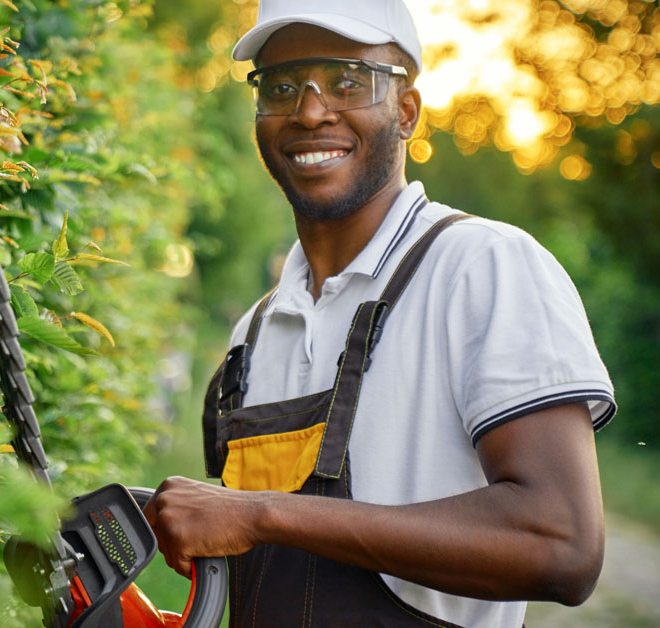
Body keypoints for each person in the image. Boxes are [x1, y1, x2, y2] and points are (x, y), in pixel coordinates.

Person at [142, 1, 616, 626]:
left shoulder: (482, 267)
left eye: (347, 81)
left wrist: (259, 512)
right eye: (282, 86)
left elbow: (562, 546)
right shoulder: (252, 335)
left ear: (407, 111)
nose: (310, 111)